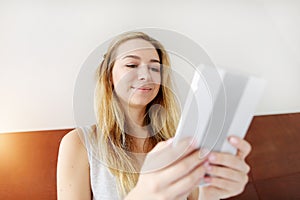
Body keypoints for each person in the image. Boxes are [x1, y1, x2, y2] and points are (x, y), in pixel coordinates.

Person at [57, 31, 251, 200]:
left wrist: (212, 193)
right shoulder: (79, 143)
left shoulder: (181, 140)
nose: (145, 75)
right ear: (109, 77)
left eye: (155, 67)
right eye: (132, 65)